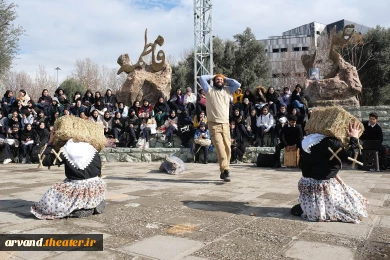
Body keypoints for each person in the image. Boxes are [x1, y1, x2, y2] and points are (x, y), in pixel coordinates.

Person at [293, 121, 368, 223]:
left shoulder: (309, 140)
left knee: (348, 192)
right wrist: (354, 138)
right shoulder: (331, 142)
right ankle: (320, 207)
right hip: (321, 186)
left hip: (306, 183)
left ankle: (310, 205)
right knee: (353, 207)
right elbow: (351, 159)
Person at [31, 129, 107, 219]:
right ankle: (95, 203)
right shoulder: (93, 150)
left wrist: (50, 142)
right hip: (96, 186)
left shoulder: (66, 151)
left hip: (78, 187)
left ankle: (79, 209)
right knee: (92, 182)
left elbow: (43, 160)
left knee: (52, 196)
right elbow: (98, 171)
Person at [200, 74, 241, 182]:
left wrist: (225, 78)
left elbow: (238, 84)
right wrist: (214, 75)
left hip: (225, 124)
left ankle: (223, 171)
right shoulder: (209, 90)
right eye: (217, 79)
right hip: (214, 124)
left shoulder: (228, 90)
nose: (219, 81)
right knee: (220, 148)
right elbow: (202, 78)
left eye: (221, 80)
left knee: (228, 147)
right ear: (214, 81)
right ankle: (226, 170)